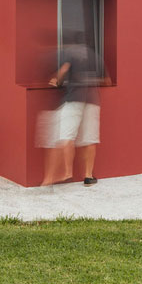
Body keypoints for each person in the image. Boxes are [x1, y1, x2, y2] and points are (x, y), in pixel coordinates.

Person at [41, 31, 102, 185]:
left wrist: (57, 81)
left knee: (67, 136)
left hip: (74, 98)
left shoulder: (70, 52)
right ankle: (88, 176)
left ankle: (67, 172)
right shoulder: (94, 55)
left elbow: (63, 70)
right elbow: (106, 79)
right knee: (89, 138)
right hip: (92, 99)